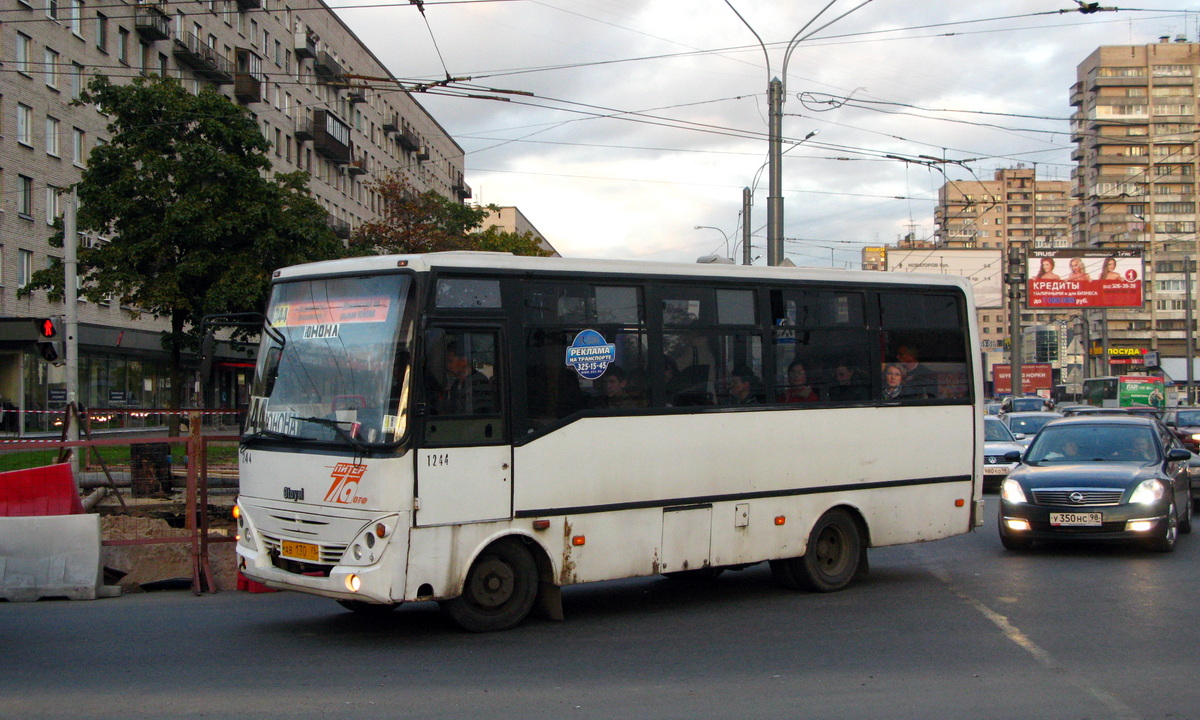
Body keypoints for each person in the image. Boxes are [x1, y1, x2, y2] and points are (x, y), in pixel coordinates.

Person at [438, 343, 494, 415]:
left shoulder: (478, 382)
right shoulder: (455, 385)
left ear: (463, 361)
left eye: (450, 361)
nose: (447, 365)